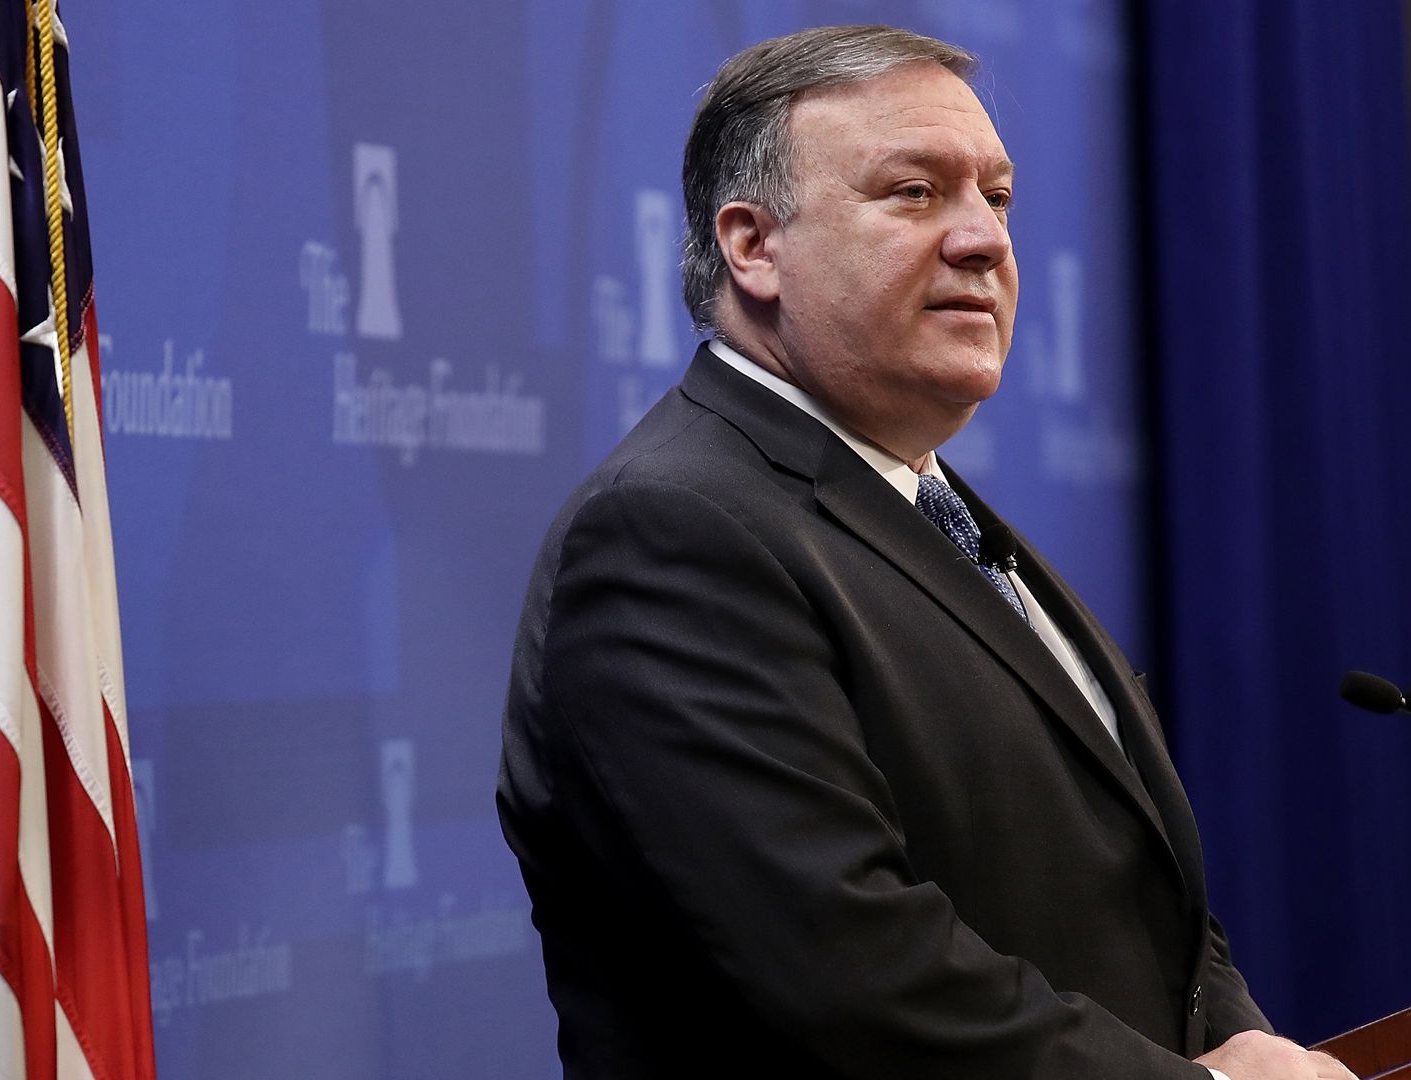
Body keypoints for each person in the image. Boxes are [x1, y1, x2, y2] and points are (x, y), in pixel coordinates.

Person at [497, 24, 1356, 1080]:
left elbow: (1139, 897)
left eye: (995, 196)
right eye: (914, 193)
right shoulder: (673, 535)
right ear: (752, 244)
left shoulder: (927, 504)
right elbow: (847, 972)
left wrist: (1236, 1040)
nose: (984, 240)